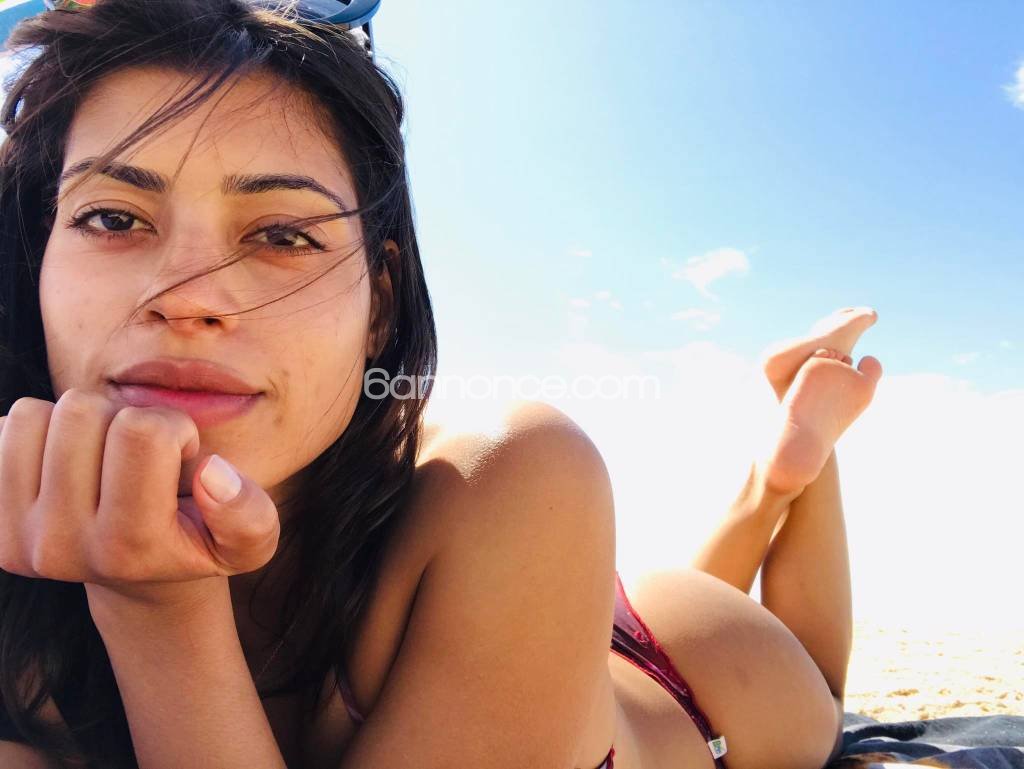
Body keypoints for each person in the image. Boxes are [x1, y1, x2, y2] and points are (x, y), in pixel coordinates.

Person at [0, 2, 884, 767]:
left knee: (822, 697)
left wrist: (158, 613)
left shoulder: (508, 466)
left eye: (282, 235)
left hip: (688, 676)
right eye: (111, 217)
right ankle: (782, 463)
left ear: (380, 303)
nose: (186, 294)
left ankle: (790, 465)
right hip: (522, 616)